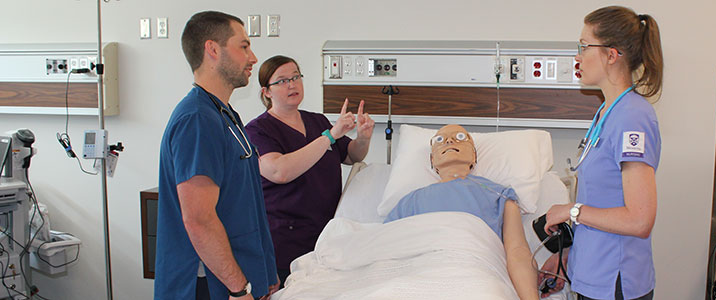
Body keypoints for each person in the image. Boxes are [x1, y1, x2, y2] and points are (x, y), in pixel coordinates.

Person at [541, 6, 663, 300]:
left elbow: (639, 220)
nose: (577, 56)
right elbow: (603, 200)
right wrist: (568, 254)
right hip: (592, 270)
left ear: (611, 54)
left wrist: (571, 211)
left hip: (614, 280)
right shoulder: (607, 111)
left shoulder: (632, 117)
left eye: (584, 46)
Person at [155, 11, 278, 300]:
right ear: (212, 49)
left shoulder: (223, 115)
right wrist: (239, 289)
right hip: (207, 286)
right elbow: (199, 219)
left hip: (238, 278)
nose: (253, 58)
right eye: (244, 46)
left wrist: (265, 274)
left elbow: (244, 203)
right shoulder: (197, 119)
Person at [244, 55, 374, 285]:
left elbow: (352, 155)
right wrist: (331, 136)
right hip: (285, 242)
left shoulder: (318, 122)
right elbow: (278, 171)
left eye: (296, 77)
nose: (292, 84)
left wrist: (363, 137)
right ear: (266, 92)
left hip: (326, 237)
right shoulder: (258, 130)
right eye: (282, 80)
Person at [384, 124, 538, 300]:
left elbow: (517, 251)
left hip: (477, 276)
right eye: (440, 140)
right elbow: (387, 252)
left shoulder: (499, 195)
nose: (449, 141)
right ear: (432, 160)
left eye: (460, 137)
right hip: (420, 275)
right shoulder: (408, 203)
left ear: (474, 155)